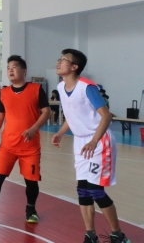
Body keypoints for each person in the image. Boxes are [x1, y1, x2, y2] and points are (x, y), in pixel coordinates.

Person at [52, 49, 130, 243]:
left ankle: (118, 235)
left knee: (95, 190)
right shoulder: (61, 87)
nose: (59, 62)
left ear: (74, 67)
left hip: (99, 140)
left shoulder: (87, 87)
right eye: (60, 58)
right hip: (80, 142)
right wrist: (60, 133)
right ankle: (91, 235)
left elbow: (107, 116)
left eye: (64, 59)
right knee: (83, 190)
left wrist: (94, 141)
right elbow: (71, 116)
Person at [0, 55, 50, 226]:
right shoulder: (4, 93)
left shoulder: (36, 89)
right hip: (7, 145)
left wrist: (34, 128)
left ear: (24, 71)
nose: (10, 70)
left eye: (14, 67)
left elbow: (46, 112)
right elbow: (0, 116)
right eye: (8, 68)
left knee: (31, 181)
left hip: (30, 147)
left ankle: (31, 210)